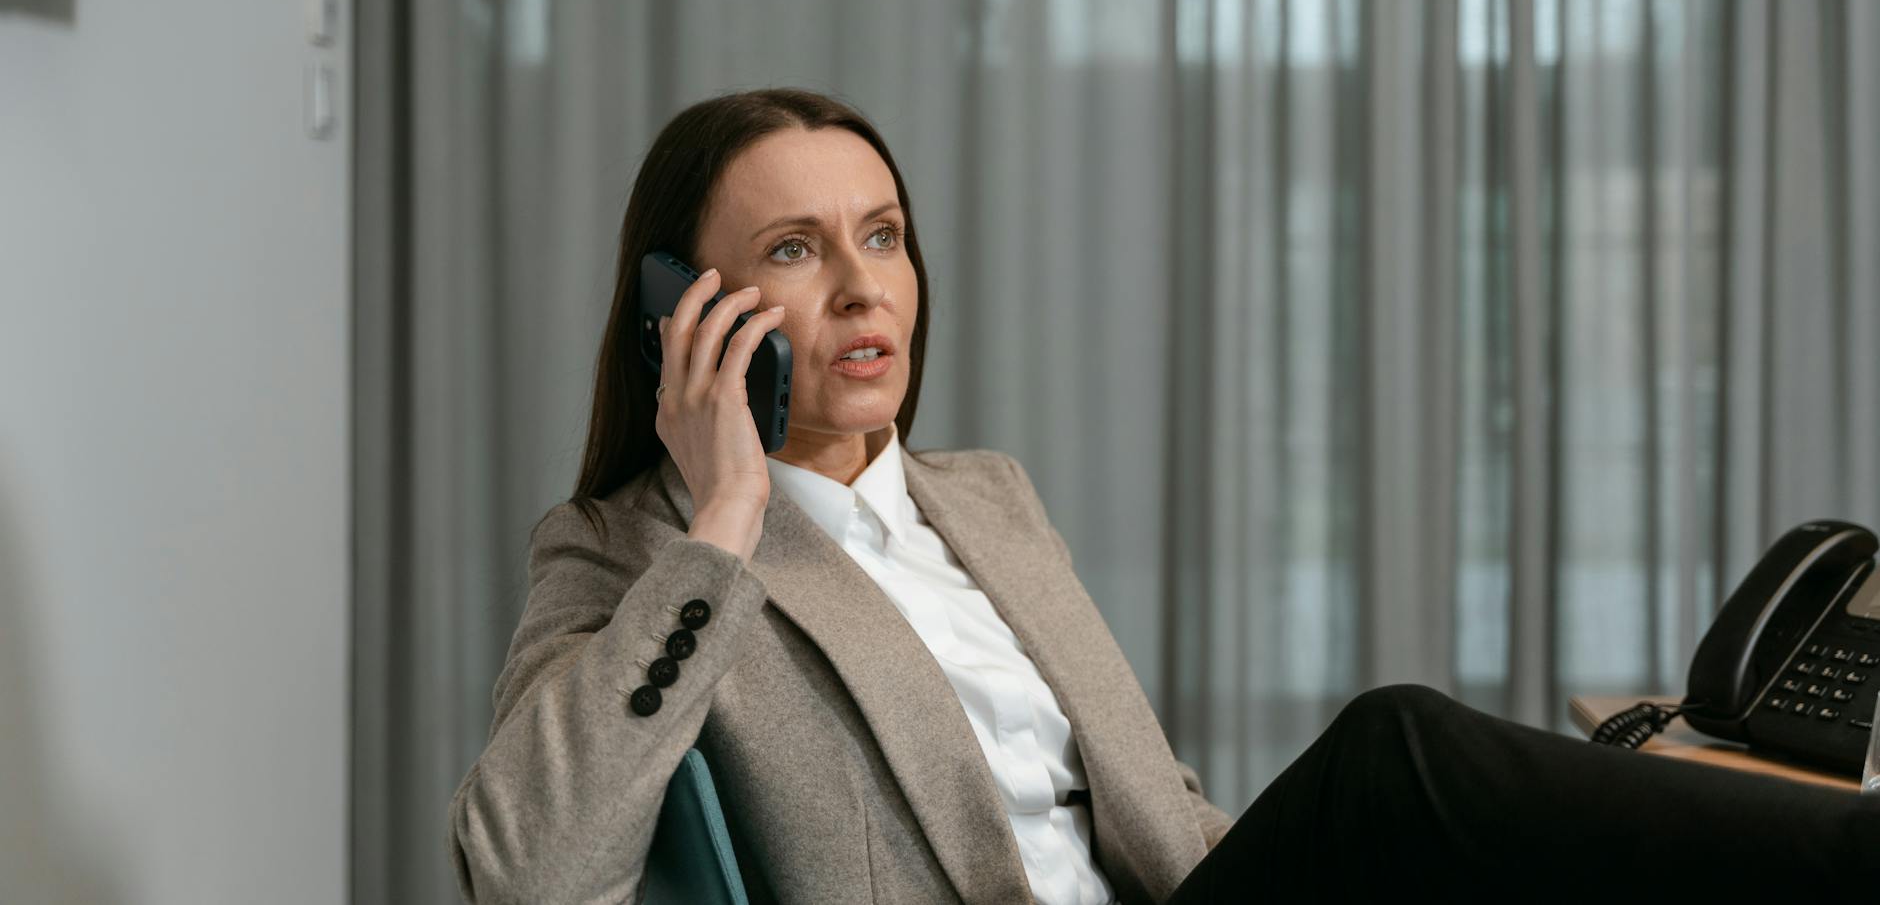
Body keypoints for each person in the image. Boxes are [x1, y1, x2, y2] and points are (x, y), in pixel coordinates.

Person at [448, 87, 1880, 904]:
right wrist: (722, 523)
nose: (864, 281)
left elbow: (1163, 814)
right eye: (796, 248)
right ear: (687, 310)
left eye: (881, 235)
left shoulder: (983, 500)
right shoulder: (634, 557)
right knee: (1393, 757)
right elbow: (521, 870)